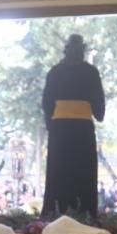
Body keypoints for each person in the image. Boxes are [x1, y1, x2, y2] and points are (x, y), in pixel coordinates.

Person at [41, 34, 106, 219]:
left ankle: (56, 211)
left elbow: (46, 104)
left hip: (60, 129)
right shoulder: (91, 72)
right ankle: (85, 213)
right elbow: (99, 108)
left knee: (59, 171)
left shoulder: (55, 72)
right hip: (82, 128)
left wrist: (51, 125)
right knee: (83, 171)